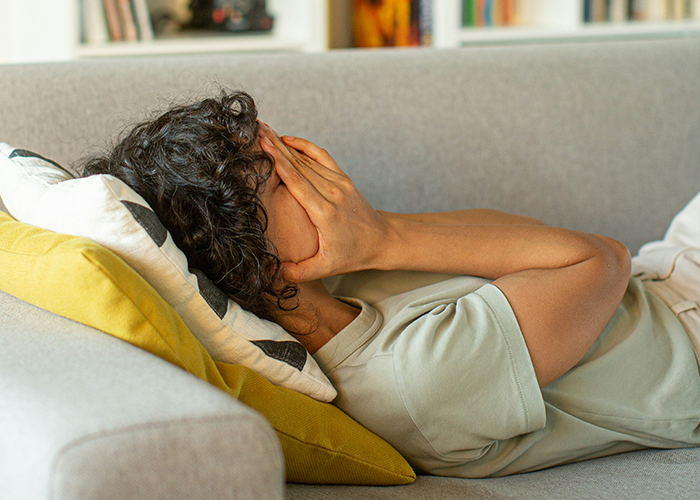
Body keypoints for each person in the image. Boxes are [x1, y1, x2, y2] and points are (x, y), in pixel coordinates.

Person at [79, 90, 700, 478]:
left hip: (669, 267)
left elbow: (528, 233)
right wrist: (383, 238)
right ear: (258, 267)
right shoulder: (413, 381)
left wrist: (379, 230)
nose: (306, 168)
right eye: (279, 178)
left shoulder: (345, 277)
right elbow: (597, 258)